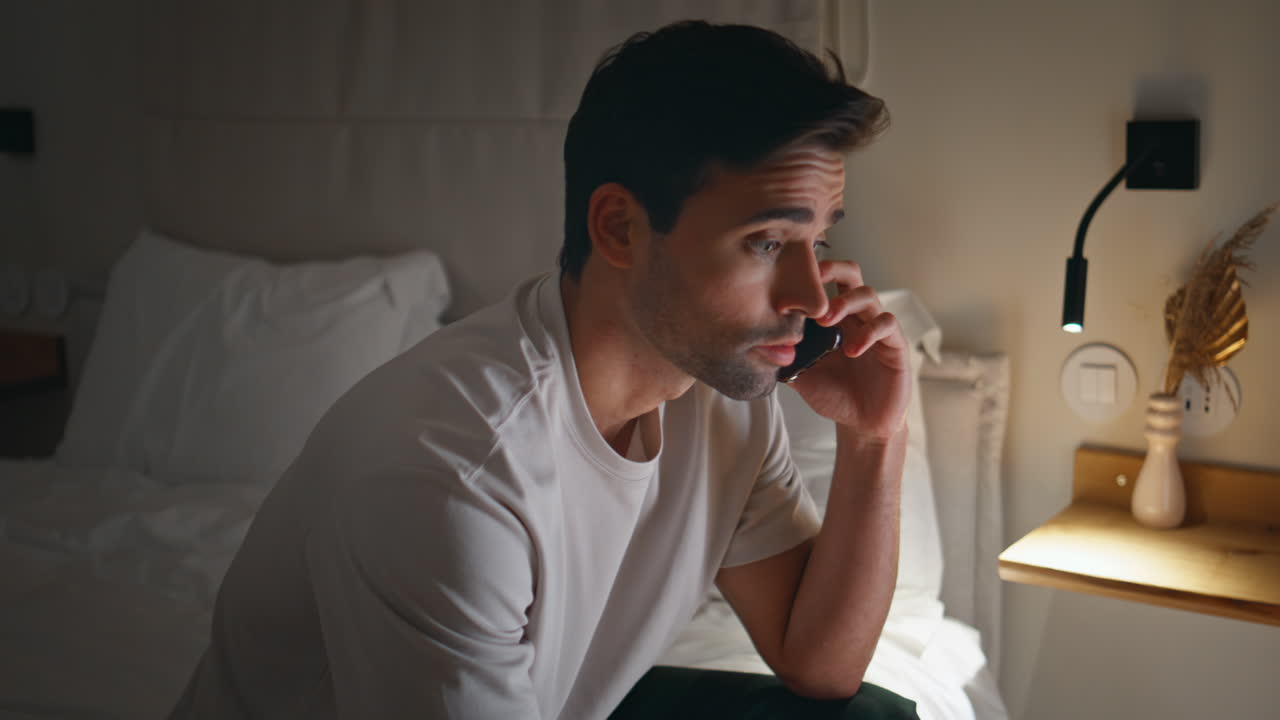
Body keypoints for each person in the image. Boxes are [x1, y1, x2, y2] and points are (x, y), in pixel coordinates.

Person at [172, 20, 916, 720]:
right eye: (764, 243)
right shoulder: (452, 472)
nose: (810, 297)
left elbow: (820, 665)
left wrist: (876, 441)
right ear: (620, 228)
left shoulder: (721, 394)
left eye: (816, 242)